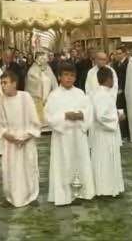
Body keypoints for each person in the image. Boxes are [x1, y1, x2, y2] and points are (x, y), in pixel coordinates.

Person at [44, 62, 95, 206]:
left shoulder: (80, 93)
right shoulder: (54, 96)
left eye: (72, 75)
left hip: (78, 134)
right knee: (63, 163)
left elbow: (89, 111)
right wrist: (65, 116)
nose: (69, 78)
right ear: (59, 77)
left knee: (80, 161)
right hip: (63, 136)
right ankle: (63, 194)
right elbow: (48, 117)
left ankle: (82, 192)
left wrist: (81, 115)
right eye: (65, 75)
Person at [0, 71, 41, 207]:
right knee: (10, 169)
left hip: (26, 139)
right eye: (1, 83)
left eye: (5, 83)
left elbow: (34, 120)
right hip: (10, 142)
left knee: (28, 167)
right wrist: (6, 134)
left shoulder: (25, 97)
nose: (3, 86)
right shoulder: (1, 101)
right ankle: (11, 196)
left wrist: (27, 136)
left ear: (14, 83)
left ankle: (31, 196)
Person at [89, 66, 124, 197]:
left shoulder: (98, 94)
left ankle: (108, 187)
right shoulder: (102, 95)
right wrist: (117, 116)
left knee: (107, 160)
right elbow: (101, 115)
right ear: (109, 79)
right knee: (104, 160)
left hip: (105, 133)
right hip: (104, 133)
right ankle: (104, 189)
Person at [25, 51, 58, 128]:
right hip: (37, 98)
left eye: (44, 58)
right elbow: (31, 81)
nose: (43, 60)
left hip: (48, 96)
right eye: (41, 58)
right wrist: (39, 77)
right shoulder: (32, 69)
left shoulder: (48, 68)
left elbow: (53, 81)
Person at [112, 46, 130, 140]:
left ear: (124, 54)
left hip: (126, 90)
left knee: (127, 111)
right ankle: (122, 131)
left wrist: (123, 88)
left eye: (119, 53)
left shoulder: (128, 64)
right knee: (120, 111)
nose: (117, 56)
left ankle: (128, 132)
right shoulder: (115, 64)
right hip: (117, 91)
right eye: (116, 54)